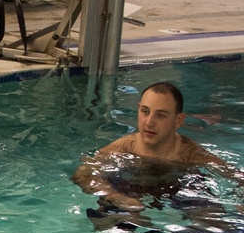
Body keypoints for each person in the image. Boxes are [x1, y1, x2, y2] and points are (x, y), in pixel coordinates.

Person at [73, 81, 244, 213]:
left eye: (160, 115)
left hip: (179, 186)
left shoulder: (190, 154)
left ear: (178, 120)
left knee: (213, 220)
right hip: (130, 184)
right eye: (145, 112)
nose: (149, 123)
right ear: (139, 109)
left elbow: (237, 176)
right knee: (116, 217)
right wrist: (115, 196)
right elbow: (82, 174)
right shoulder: (123, 148)